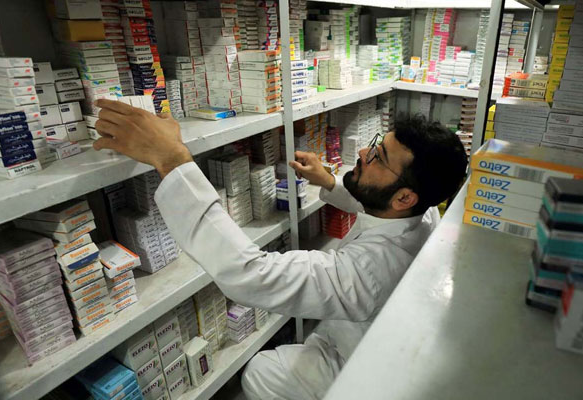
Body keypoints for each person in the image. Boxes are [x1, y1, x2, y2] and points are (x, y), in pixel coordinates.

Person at [93, 99, 468, 399]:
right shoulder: (424, 217)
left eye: (378, 158)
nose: (364, 156)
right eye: (375, 146)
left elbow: (250, 274)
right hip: (379, 342)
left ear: (405, 195)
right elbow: (376, 208)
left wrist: (171, 160)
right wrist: (331, 182)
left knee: (261, 373)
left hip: (370, 371)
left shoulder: (368, 274)